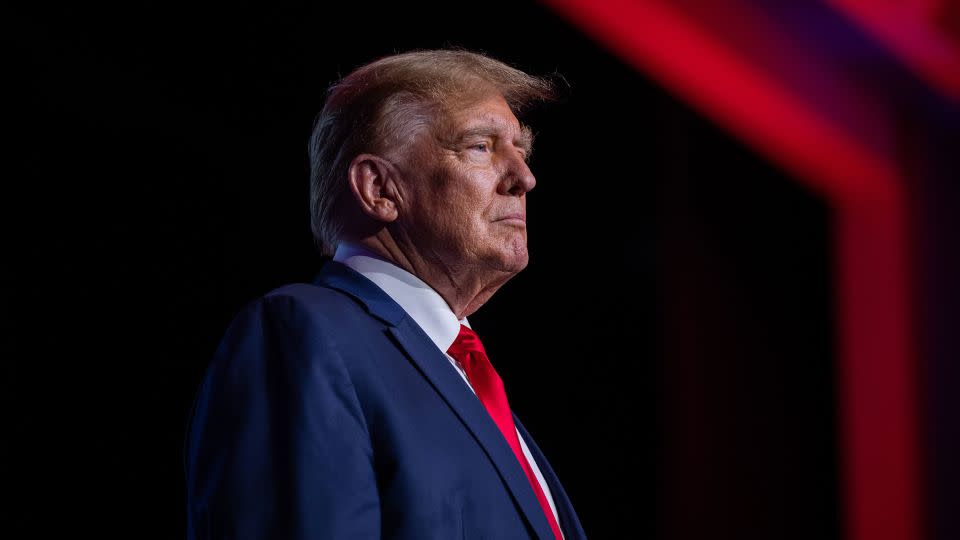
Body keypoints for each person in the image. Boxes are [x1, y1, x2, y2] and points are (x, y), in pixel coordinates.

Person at [184, 49, 586, 540]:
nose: (524, 178)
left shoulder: (464, 376)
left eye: (521, 150)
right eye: (480, 146)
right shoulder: (304, 332)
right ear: (379, 188)